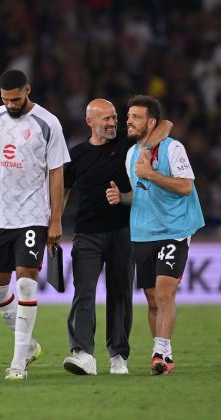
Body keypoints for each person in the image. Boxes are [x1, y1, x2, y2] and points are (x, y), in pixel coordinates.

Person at [0, 69, 70, 380]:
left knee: (26, 280)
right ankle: (30, 346)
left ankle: (18, 361)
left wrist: (55, 219)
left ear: (28, 90)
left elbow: (56, 173)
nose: (11, 104)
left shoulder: (48, 123)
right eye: (5, 99)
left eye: (16, 98)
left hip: (32, 215)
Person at [62, 98, 172, 376]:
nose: (113, 123)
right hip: (86, 233)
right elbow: (62, 190)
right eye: (106, 119)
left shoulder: (128, 144)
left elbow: (166, 125)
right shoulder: (75, 155)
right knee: (84, 293)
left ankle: (118, 355)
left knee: (120, 295)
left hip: (124, 231)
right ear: (90, 122)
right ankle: (83, 353)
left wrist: (145, 149)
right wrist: (53, 224)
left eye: (114, 117)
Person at [107, 95, 204, 375]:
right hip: (143, 232)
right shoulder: (131, 154)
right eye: (128, 116)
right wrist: (121, 197)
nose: (128, 121)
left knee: (164, 291)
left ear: (151, 122)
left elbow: (185, 187)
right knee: (151, 298)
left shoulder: (173, 148)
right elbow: (138, 195)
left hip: (174, 230)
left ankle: (160, 353)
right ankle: (164, 351)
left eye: (135, 117)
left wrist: (150, 173)